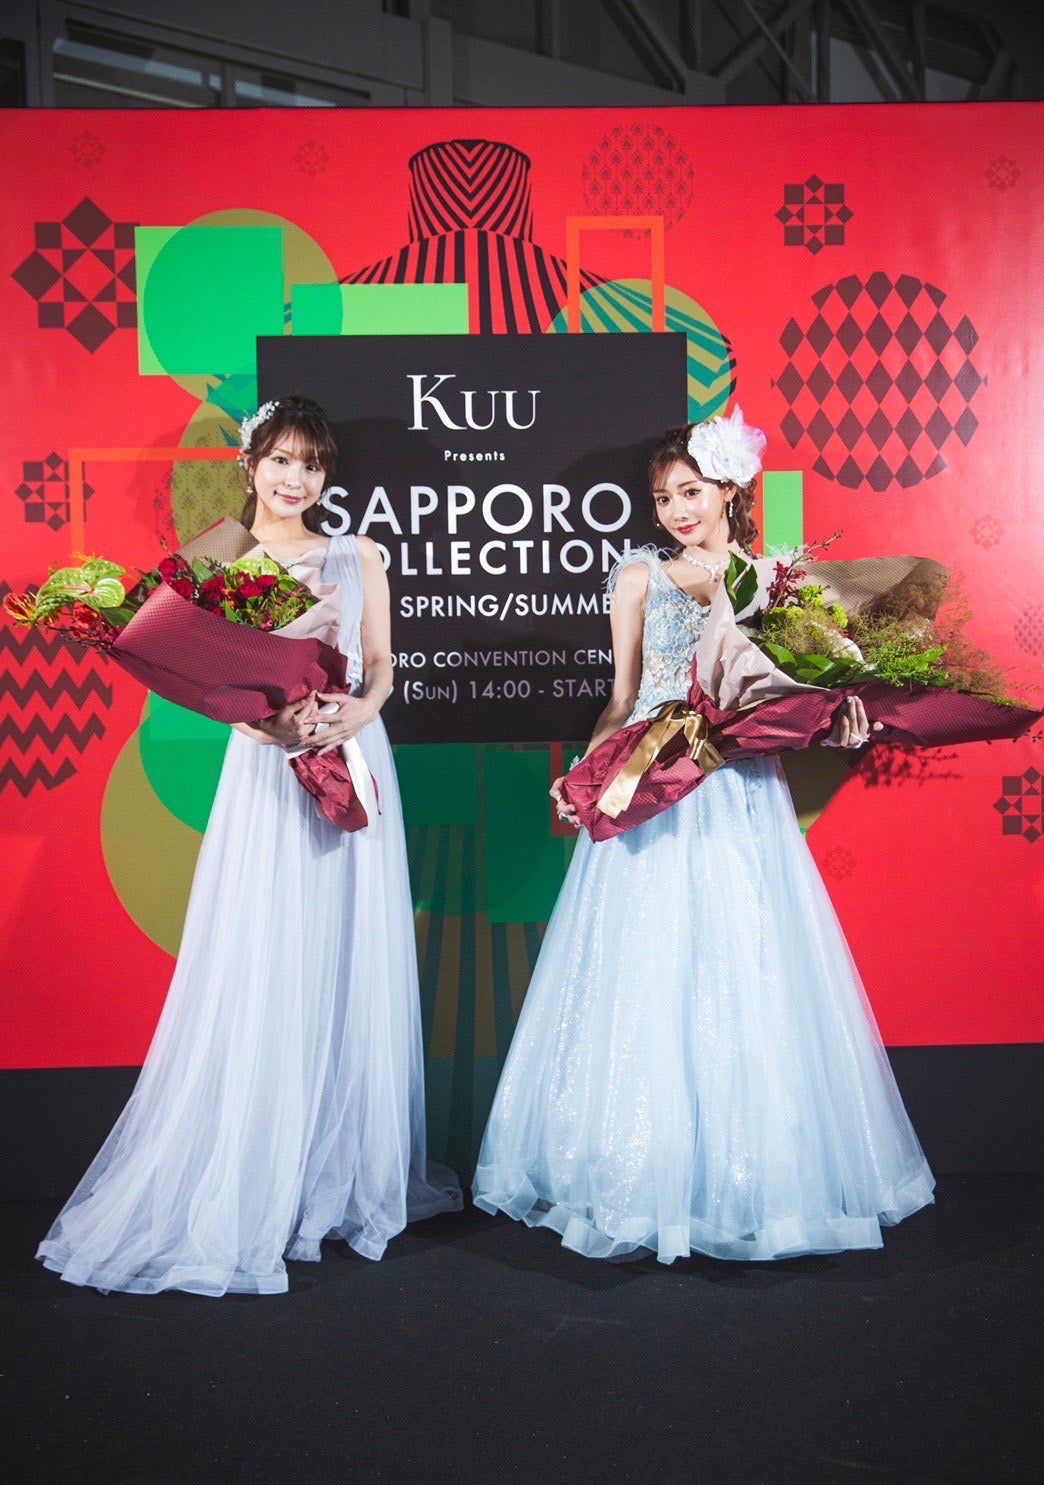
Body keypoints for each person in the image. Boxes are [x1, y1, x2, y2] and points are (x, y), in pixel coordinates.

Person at [473, 408, 934, 1263]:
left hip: (736, 791)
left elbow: (798, 700)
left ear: (729, 489)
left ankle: (750, 1178)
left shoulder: (777, 583)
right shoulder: (639, 575)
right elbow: (622, 698)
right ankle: (641, 1175)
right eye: (663, 498)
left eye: (690, 491)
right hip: (651, 786)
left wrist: (842, 719)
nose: (677, 510)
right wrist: (588, 776)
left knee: (744, 965)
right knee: (643, 969)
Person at [38, 396, 461, 1294]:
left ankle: (335, 1172)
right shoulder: (215, 561)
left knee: (345, 953)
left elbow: (383, 663)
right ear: (250, 464)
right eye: (281, 460)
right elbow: (204, 684)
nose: (295, 478)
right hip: (268, 773)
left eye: (312, 464)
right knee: (267, 953)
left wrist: (360, 711)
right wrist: (268, 725)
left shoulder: (359, 555)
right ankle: (256, 1171)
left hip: (352, 757)